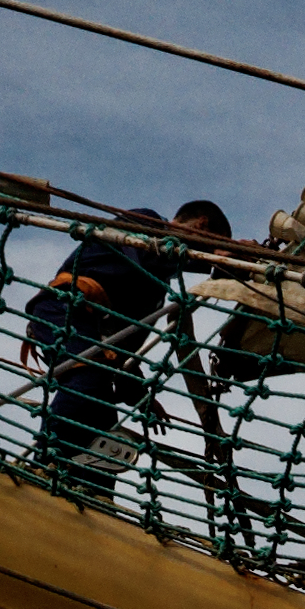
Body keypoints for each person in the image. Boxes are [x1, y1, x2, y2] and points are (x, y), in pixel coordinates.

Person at [21, 213, 187, 515]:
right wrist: (217, 259)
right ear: (199, 225)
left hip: (92, 333)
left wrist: (139, 394)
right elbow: (144, 254)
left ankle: (95, 495)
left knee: (104, 417)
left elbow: (122, 353)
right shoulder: (146, 222)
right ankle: (45, 465)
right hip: (65, 306)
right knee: (88, 384)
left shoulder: (154, 291)